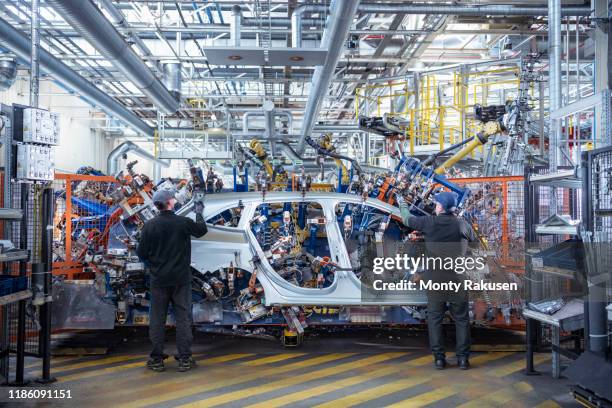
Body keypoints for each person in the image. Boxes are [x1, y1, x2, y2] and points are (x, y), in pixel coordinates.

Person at [398, 191, 477, 370]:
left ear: (440, 206)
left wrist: (402, 202)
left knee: (435, 319)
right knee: (461, 319)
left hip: (435, 279)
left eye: (436, 203)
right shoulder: (462, 224)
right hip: (458, 278)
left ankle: (439, 359)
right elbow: (473, 243)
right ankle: (463, 360)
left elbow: (406, 219)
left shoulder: (429, 222)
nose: (435, 205)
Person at [136, 190, 208, 372]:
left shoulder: (150, 226)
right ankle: (184, 359)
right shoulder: (183, 223)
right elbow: (202, 231)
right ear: (170, 202)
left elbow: (141, 254)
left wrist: (154, 265)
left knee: (157, 319)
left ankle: (156, 359)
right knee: (183, 318)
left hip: (159, 280)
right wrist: (199, 212)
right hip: (181, 280)